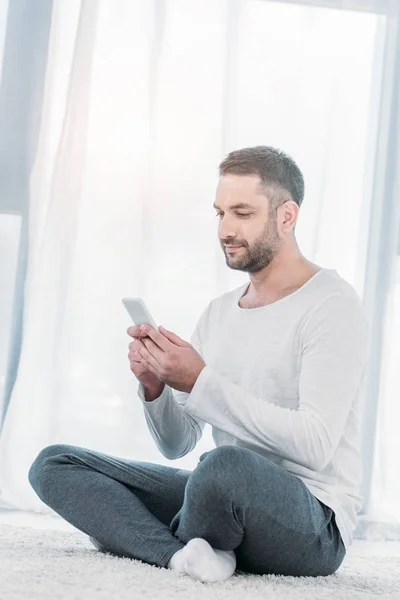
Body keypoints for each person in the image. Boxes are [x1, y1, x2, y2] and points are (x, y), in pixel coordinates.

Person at [28, 146, 369, 583]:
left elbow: (315, 443)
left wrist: (200, 379)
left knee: (222, 466)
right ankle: (179, 556)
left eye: (243, 213)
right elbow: (178, 444)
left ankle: (131, 534)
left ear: (287, 217)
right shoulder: (220, 311)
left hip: (311, 523)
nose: (226, 229)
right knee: (56, 463)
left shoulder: (331, 305)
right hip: (219, 499)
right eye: (220, 213)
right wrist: (156, 387)